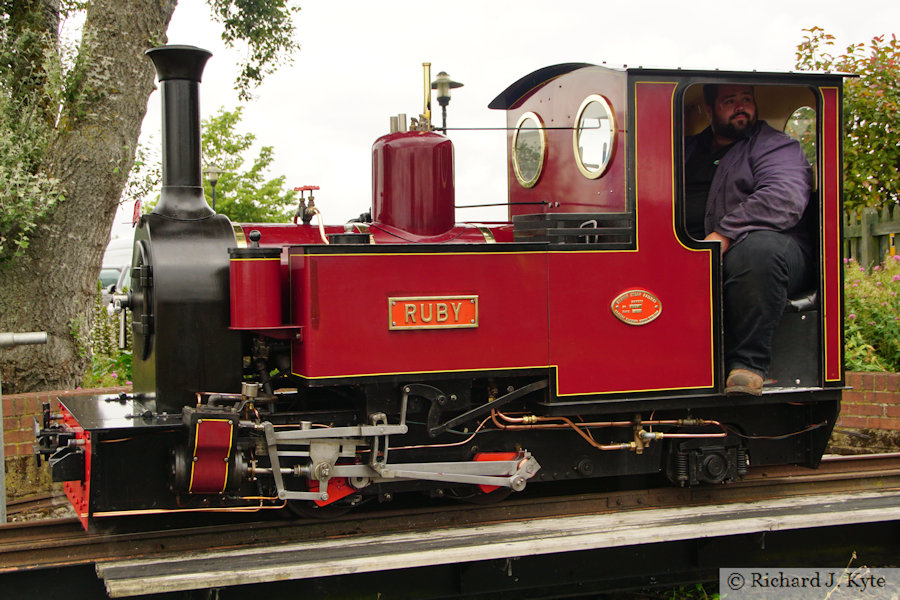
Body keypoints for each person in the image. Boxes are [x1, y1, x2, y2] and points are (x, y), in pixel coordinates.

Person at [684, 84, 813, 396]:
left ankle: (749, 365)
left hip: (777, 251)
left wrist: (723, 235)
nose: (741, 107)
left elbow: (783, 198)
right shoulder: (684, 149)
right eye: (730, 101)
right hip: (692, 249)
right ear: (709, 108)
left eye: (747, 99)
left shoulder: (777, 147)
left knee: (759, 251)